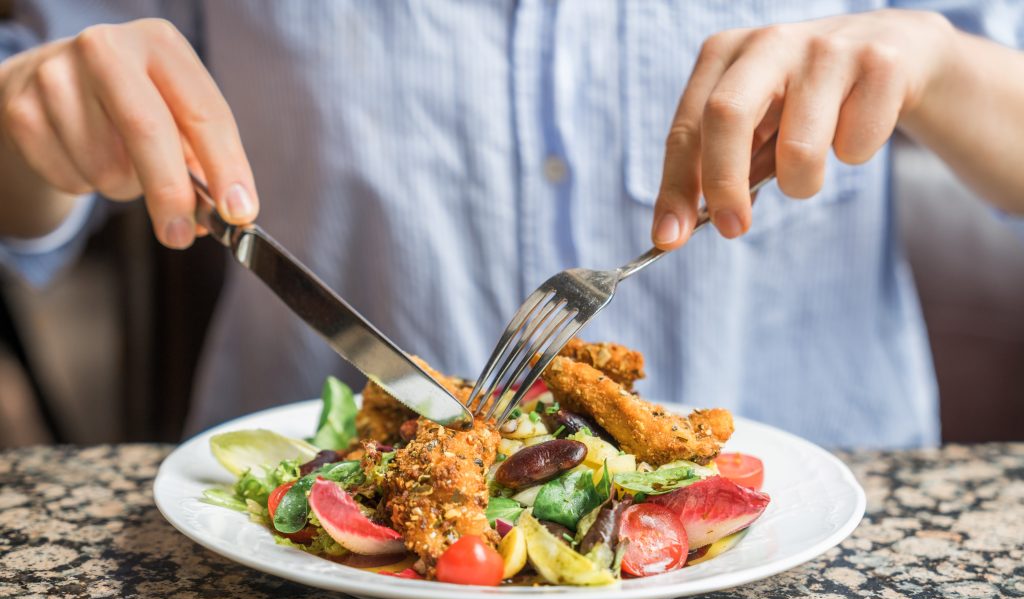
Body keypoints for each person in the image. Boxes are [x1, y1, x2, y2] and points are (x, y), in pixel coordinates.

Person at [1, 2, 1022, 448]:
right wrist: (34, 118)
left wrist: (935, 59)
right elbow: (22, 199)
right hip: (310, 579)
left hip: (818, 540)